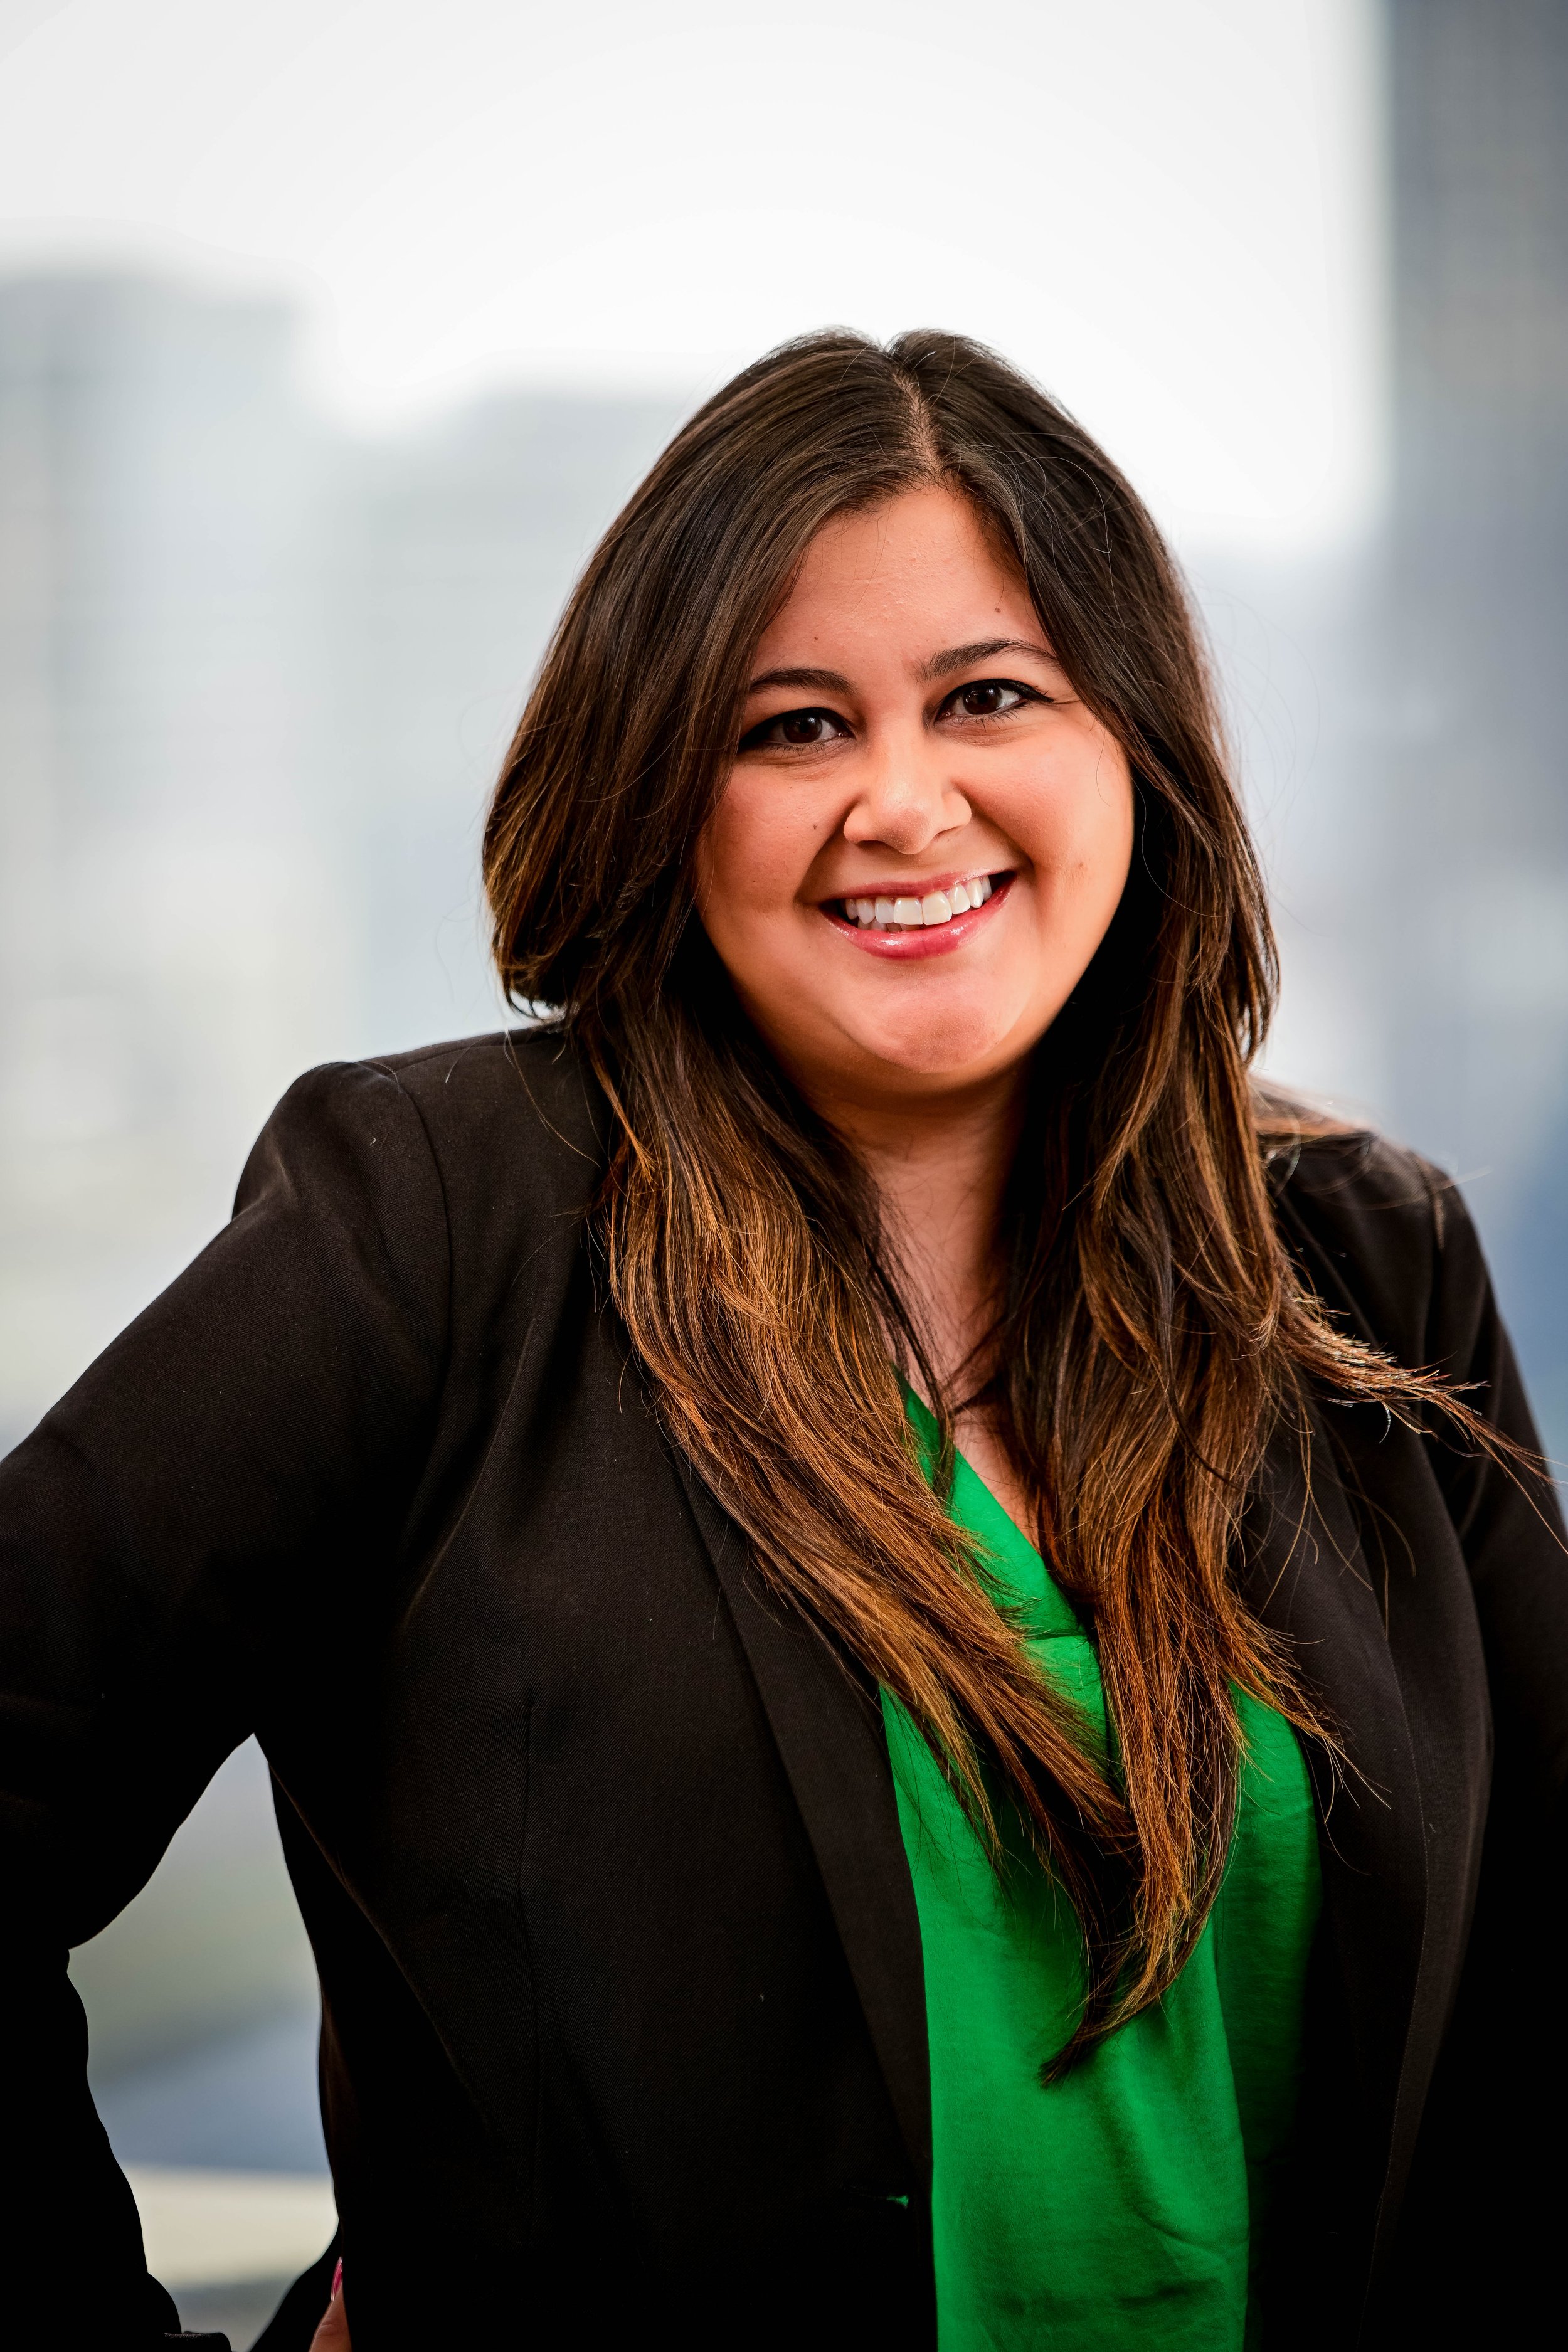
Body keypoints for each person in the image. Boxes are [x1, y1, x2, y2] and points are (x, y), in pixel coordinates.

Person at [3, 330, 1563, 2352]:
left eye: (988, 696)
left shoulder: (1364, 1264)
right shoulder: (435, 1222)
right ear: (664, 793)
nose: (901, 804)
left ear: (1134, 752)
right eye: (791, 727)